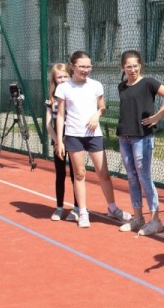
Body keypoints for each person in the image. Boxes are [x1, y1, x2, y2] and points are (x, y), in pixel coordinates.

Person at [55, 50, 131, 229]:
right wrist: (59, 141)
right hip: (73, 135)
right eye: (82, 66)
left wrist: (97, 114)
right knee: (79, 174)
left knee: (103, 173)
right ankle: (82, 211)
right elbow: (60, 115)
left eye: (89, 66)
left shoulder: (96, 85)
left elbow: (102, 107)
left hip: (94, 135)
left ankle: (112, 208)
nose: (86, 70)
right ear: (72, 66)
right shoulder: (63, 88)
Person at [116, 50, 164, 236]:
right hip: (124, 136)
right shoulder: (122, 86)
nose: (132, 70)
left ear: (140, 65)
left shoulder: (148, 83)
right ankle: (138, 218)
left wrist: (158, 116)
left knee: (144, 177)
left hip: (142, 137)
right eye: (128, 67)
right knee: (132, 177)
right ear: (123, 68)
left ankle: (155, 220)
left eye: (135, 66)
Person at [45, 63, 79, 221]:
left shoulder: (74, 95)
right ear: (54, 79)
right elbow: (48, 124)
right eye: (59, 77)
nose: (63, 79)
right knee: (60, 174)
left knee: (75, 174)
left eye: (65, 76)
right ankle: (59, 207)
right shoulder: (51, 99)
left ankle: (77, 208)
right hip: (58, 141)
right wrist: (57, 142)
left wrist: (65, 140)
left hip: (73, 138)